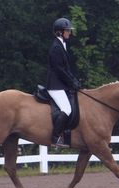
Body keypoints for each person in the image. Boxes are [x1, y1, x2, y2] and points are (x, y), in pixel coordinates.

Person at [46, 17, 81, 147]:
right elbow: (59, 69)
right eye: (67, 31)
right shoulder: (56, 47)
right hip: (55, 85)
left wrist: (74, 80)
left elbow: (66, 68)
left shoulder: (61, 45)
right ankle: (55, 137)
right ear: (60, 32)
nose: (69, 33)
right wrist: (71, 82)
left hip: (61, 84)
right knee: (66, 109)